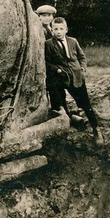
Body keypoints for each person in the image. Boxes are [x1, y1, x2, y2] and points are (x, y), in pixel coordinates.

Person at [44, 17, 104, 145]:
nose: (58, 32)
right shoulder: (49, 44)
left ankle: (96, 129)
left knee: (85, 103)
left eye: (61, 29)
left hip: (76, 76)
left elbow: (82, 57)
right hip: (60, 78)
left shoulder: (73, 41)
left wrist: (82, 69)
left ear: (66, 30)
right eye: (55, 29)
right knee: (60, 101)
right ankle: (69, 121)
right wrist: (57, 70)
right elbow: (47, 62)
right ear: (52, 30)